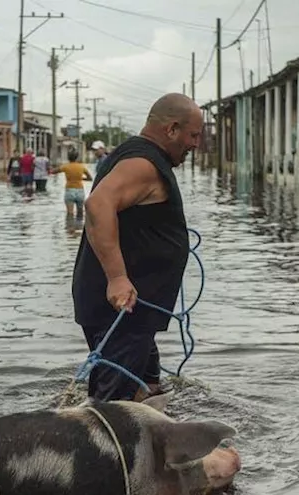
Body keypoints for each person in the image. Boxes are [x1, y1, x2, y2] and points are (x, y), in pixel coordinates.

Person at [70, 92, 203, 402]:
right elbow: (97, 205)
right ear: (171, 129)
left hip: (133, 309)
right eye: (193, 135)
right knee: (113, 408)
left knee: (148, 390)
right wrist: (117, 277)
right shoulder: (143, 164)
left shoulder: (133, 155)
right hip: (121, 308)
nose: (196, 144)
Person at [53, 147, 93, 221]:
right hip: (80, 191)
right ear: (77, 157)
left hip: (69, 190)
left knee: (70, 214)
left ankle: (70, 229)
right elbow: (90, 178)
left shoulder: (65, 166)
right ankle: (79, 228)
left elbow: (54, 171)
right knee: (80, 213)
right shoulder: (81, 167)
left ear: (68, 157)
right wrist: (81, 178)